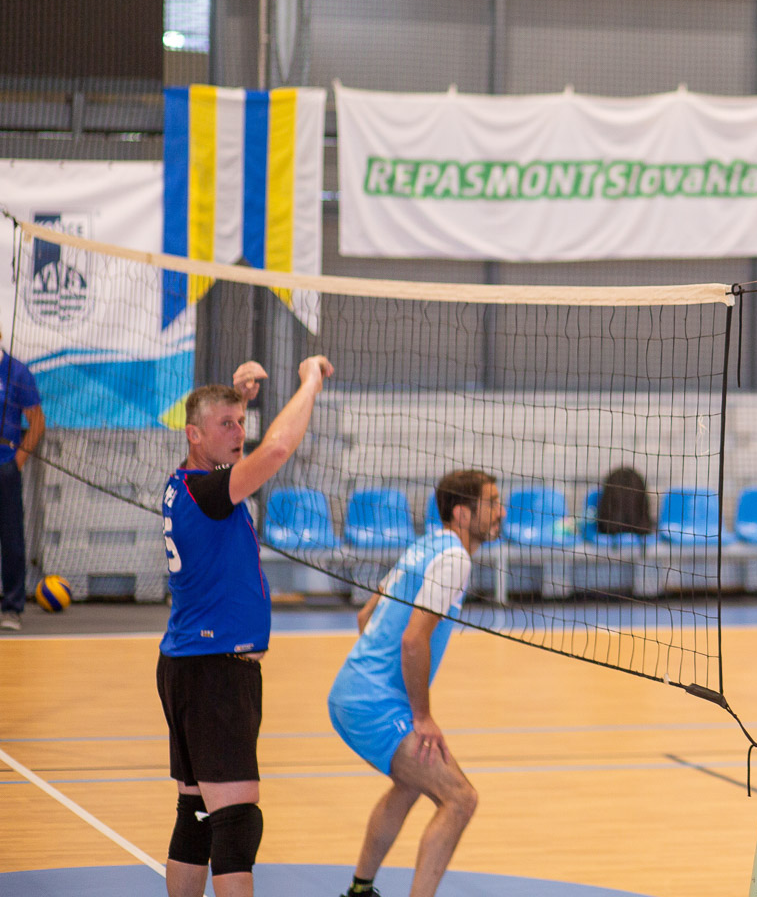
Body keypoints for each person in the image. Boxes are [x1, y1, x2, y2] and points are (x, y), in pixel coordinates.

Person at [160, 355, 333, 897]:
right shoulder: (212, 494)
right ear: (194, 435)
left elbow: (217, 437)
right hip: (217, 673)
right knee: (236, 823)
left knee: (196, 814)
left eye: (241, 423)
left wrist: (234, 400)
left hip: (186, 666)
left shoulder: (185, 482)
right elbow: (276, 450)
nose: (239, 433)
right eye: (227, 425)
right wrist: (308, 382)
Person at [329, 469, 503, 897]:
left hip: (353, 693)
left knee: (411, 783)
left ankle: (360, 890)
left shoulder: (426, 545)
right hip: (374, 705)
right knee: (460, 799)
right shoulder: (455, 559)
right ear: (462, 514)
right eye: (492, 503)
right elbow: (412, 640)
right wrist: (421, 716)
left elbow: (366, 617)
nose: (501, 512)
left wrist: (376, 674)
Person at [0, 328, 45, 632]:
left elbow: (37, 421)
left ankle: (12, 607)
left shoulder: (17, 372)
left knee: (12, 538)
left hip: (5, 466)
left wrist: (16, 462)